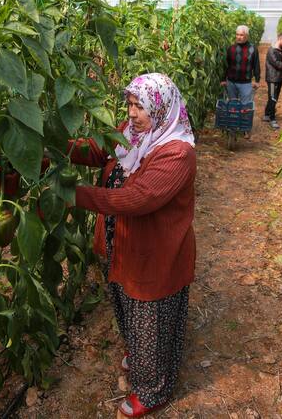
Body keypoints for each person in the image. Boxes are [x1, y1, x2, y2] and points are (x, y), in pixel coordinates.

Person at [70, 73, 197, 418]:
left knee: (150, 316)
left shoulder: (177, 153)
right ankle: (141, 358)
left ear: (162, 108)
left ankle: (153, 389)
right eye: (130, 104)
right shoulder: (132, 134)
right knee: (127, 304)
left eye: (140, 106)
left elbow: (138, 198)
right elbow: (98, 150)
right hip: (123, 243)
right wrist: (51, 148)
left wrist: (73, 195)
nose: (132, 113)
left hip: (156, 253)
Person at [221, 25, 260, 138]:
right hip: (231, 82)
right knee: (232, 105)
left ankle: (245, 128)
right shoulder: (231, 49)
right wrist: (223, 79)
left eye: (241, 35)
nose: (239, 37)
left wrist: (257, 80)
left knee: (245, 107)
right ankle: (232, 128)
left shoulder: (253, 49)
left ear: (246, 36)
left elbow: (256, 65)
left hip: (246, 83)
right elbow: (226, 65)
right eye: (237, 34)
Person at [264, 31, 282, 129]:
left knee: (273, 97)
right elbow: (278, 64)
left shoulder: (281, 50)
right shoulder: (272, 51)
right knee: (273, 98)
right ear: (280, 39)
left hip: (278, 78)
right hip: (272, 79)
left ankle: (266, 114)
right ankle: (272, 119)